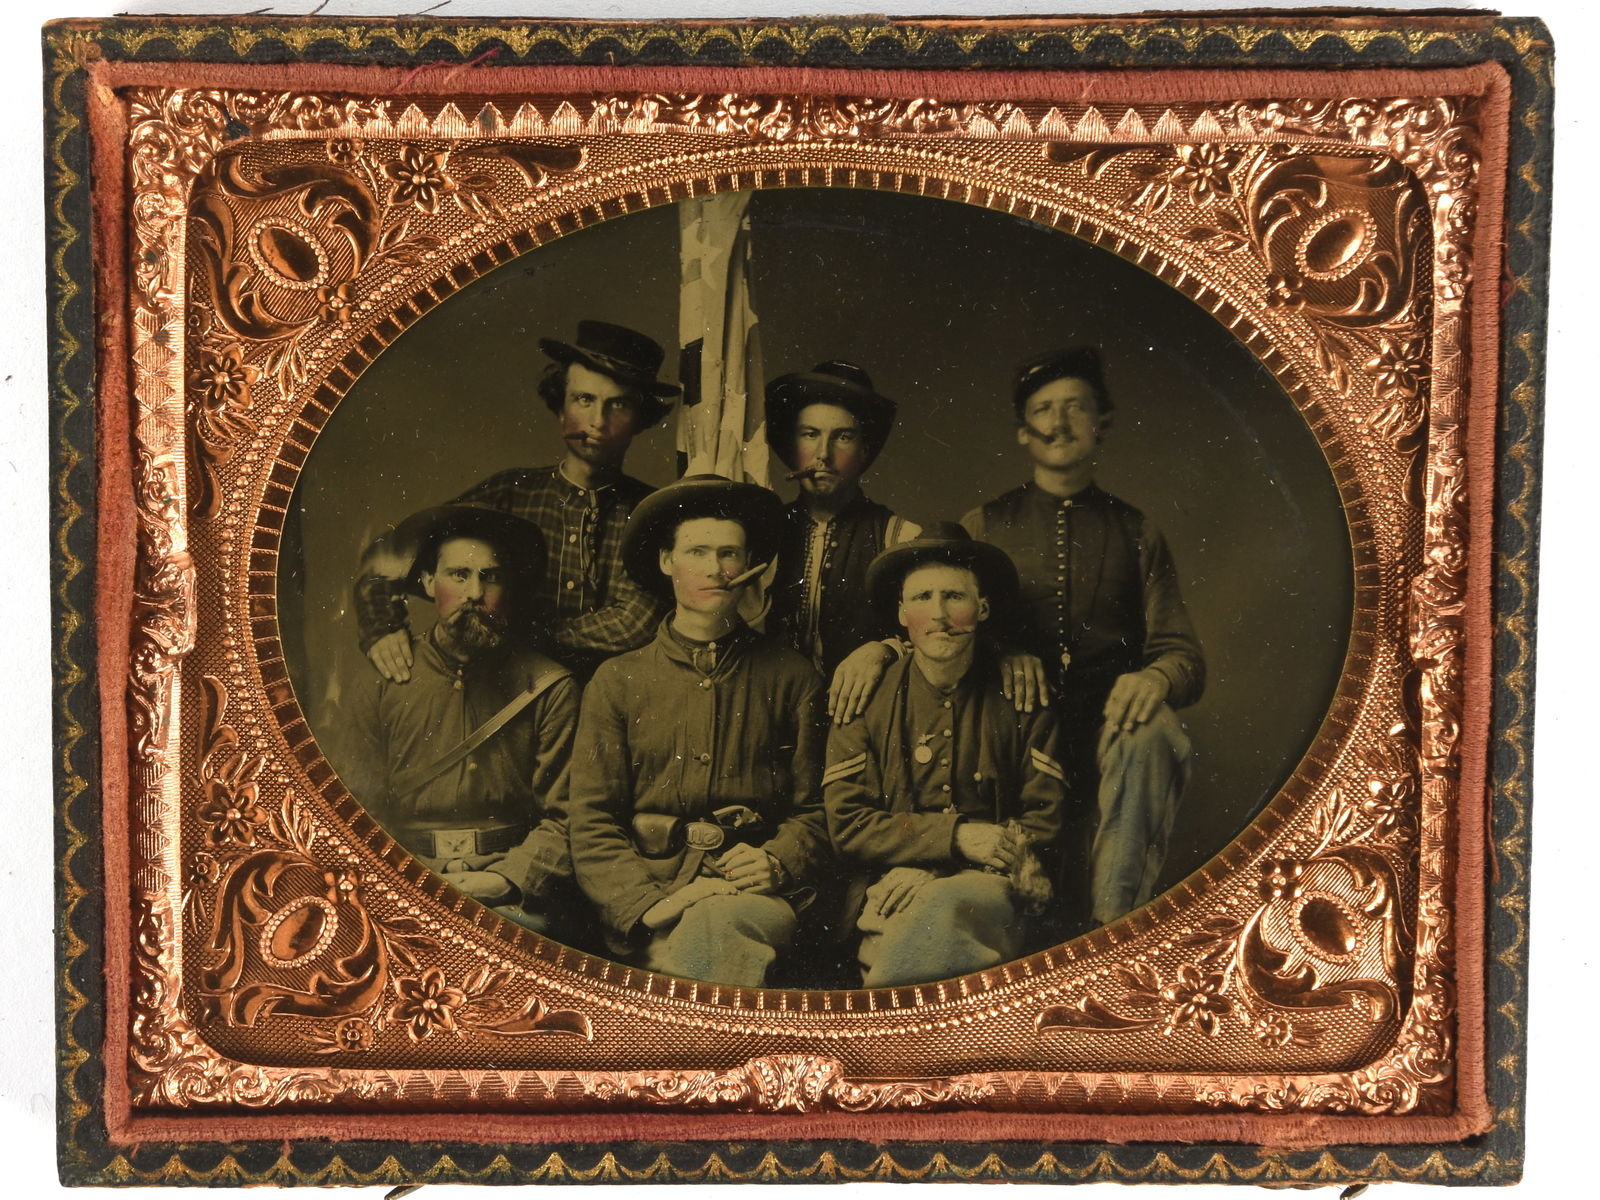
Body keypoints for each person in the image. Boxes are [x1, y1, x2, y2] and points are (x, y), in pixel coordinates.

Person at [960, 346, 1204, 928]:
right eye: (1044, 409)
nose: (1060, 422)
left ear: (1102, 426)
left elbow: (1183, 654)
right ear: (1023, 432)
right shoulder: (984, 525)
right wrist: (1004, 653)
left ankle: (1111, 926)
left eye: (1076, 407)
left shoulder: (1137, 530)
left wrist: (1154, 676)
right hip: (1012, 730)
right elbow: (950, 631)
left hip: (1106, 731)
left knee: (1155, 731)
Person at [565, 475, 829, 987]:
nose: (715, 568)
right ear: (667, 562)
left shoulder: (792, 676)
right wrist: (647, 908)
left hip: (754, 894)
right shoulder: (617, 681)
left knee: (713, 934)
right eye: (697, 552)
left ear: (748, 565)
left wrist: (778, 859)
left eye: (729, 553)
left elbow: (818, 808)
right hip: (652, 895)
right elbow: (591, 820)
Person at [354, 320, 679, 683]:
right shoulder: (512, 490)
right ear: (560, 407)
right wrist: (381, 624)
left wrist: (521, 634)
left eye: (617, 405)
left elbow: (636, 622)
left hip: (609, 696)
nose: (597, 421)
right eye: (584, 399)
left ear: (640, 419)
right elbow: (393, 556)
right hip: (500, 692)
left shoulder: (652, 511)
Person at [822, 525, 1067, 987]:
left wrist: (942, 864)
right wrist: (953, 838)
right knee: (894, 945)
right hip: (886, 887)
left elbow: (1044, 820)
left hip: (992, 888)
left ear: (982, 608)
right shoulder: (864, 695)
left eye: (954, 596)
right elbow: (848, 822)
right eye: (922, 598)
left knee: (946, 910)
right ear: (901, 613)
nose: (938, 615)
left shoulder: (1022, 694)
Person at [336, 505, 582, 936]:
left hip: (512, 892)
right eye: (459, 575)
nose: (474, 593)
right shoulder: (380, 681)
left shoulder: (549, 686)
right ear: (429, 583)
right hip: (405, 887)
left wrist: (506, 879)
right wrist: (414, 881)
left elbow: (569, 818)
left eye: (492, 576)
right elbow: (355, 814)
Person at [765, 359, 1049, 724]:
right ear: (791, 445)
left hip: (865, 722)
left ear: (865, 451)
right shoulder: (765, 534)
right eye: (809, 434)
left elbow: (940, 633)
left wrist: (883, 649)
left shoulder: (902, 539)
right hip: (774, 719)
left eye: (843, 436)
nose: (823, 453)